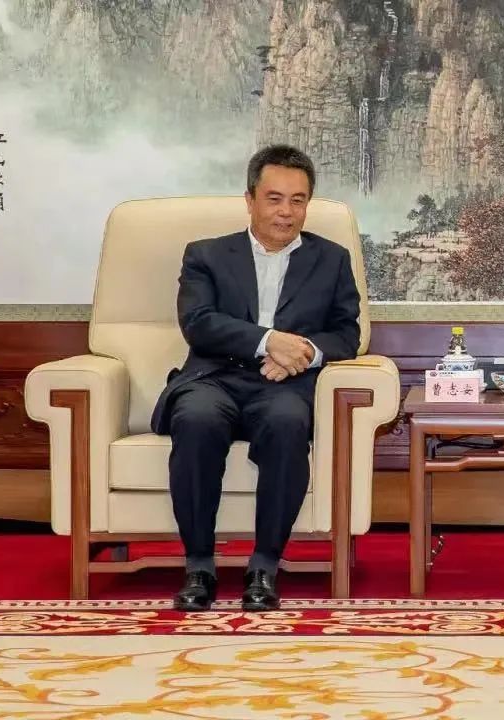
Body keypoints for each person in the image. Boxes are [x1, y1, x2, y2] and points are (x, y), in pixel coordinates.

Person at [150, 145, 361, 611]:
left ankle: (264, 567)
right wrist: (269, 341)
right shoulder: (206, 254)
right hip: (214, 377)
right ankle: (199, 567)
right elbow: (198, 322)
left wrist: (302, 353)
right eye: (274, 199)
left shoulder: (332, 259)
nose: (286, 212)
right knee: (197, 419)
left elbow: (347, 333)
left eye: (298, 200)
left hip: (285, 383)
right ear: (250, 200)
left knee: (287, 423)